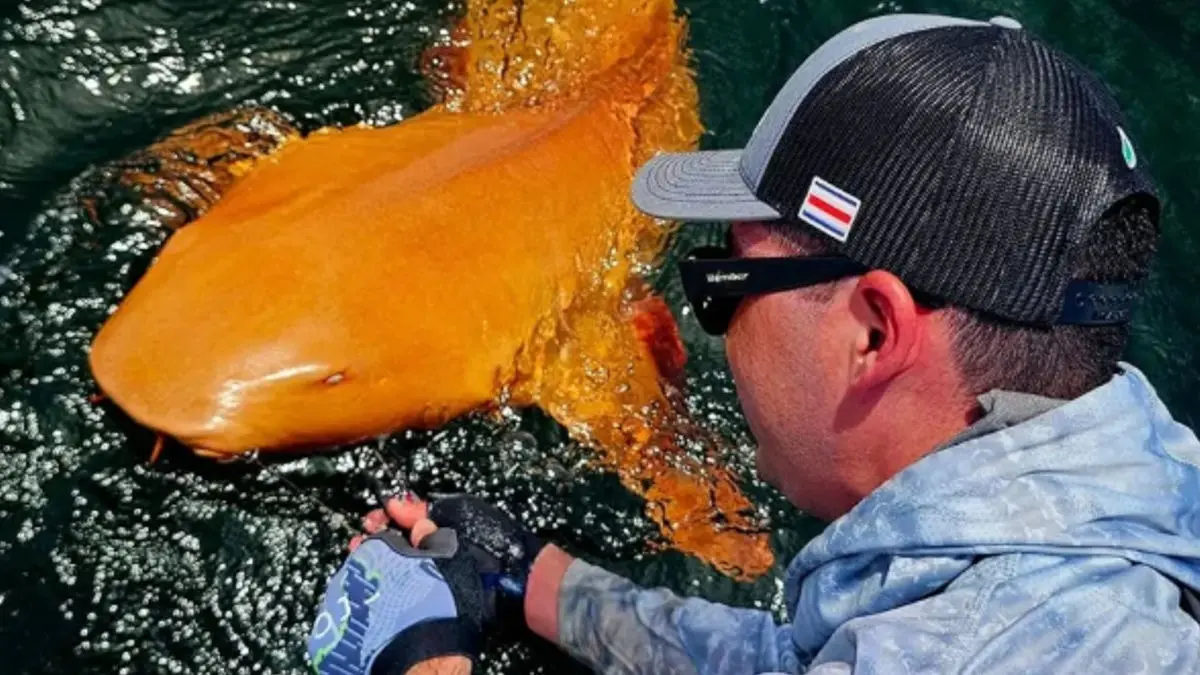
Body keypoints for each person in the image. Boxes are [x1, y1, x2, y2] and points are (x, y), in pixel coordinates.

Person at [306, 13, 1200, 675]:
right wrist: (531, 577)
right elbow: (800, 659)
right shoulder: (1135, 497)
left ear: (875, 330)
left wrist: (419, 661)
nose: (714, 334)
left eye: (722, 286)